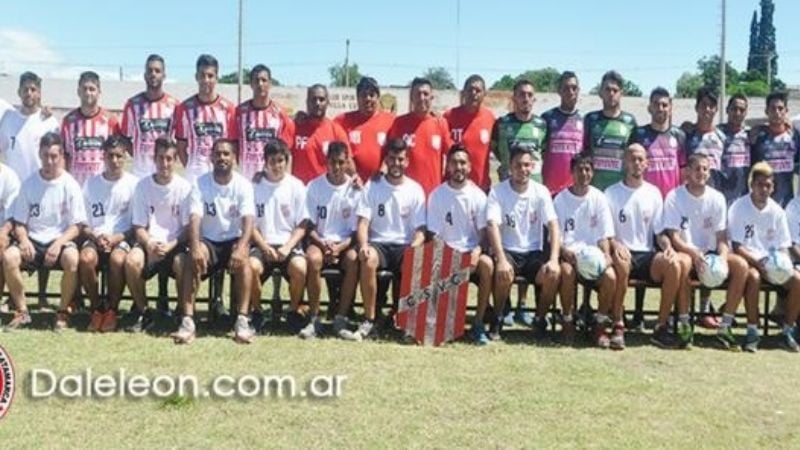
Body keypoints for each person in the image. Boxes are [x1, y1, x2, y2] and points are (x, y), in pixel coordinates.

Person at [341, 138, 426, 341]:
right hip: (379, 243)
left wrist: (413, 248)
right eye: (392, 158)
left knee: (415, 260)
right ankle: (370, 319)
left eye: (400, 159)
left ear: (407, 162)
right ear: (386, 160)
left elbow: (421, 231)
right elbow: (362, 223)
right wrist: (363, 246)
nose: (396, 163)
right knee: (368, 259)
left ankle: (407, 323)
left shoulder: (415, 189)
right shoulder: (373, 186)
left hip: (404, 244)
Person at [663, 153, 750, 350]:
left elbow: (721, 238)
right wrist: (693, 253)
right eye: (697, 169)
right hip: (686, 251)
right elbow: (674, 236)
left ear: (709, 173)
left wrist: (722, 257)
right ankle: (685, 324)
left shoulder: (717, 198)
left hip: (710, 254)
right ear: (687, 172)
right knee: (682, 263)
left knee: (741, 266)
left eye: (705, 169)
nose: (701, 173)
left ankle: (725, 326)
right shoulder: (674, 197)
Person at [3, 132, 85, 330]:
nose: (49, 161)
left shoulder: (70, 184)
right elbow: (19, 222)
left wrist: (58, 244)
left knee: (73, 259)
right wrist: (23, 240)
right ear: (39, 154)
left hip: (60, 240)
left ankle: (63, 312)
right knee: (9, 257)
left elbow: (78, 226)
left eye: (54, 156)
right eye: (46, 155)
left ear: (61, 157)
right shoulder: (29, 184)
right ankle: (22, 311)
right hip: (33, 241)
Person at [605, 144, 683, 348]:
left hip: (647, 254)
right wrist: (615, 244)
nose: (636, 163)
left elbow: (659, 233)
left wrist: (668, 247)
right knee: (621, 263)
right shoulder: (611, 193)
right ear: (624, 163)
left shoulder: (654, 193)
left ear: (647, 164)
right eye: (632, 159)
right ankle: (618, 325)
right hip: (623, 253)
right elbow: (606, 234)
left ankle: (660, 327)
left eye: (640, 159)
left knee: (673, 265)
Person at [178, 139, 255, 344]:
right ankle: (187, 320)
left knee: (245, 261)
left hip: (233, 240)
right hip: (209, 241)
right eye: (218, 154)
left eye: (226, 154)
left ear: (234, 158)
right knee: (191, 258)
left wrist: (241, 248)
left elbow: (248, 221)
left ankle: (242, 319)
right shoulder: (200, 183)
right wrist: (195, 246)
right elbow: (195, 218)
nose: (222, 158)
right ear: (211, 158)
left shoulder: (243, 185)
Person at [486, 145, 561, 341]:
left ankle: (540, 318)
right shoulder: (498, 191)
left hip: (533, 253)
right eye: (518, 165)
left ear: (533, 166)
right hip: (508, 250)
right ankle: (498, 317)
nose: (523, 169)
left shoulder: (541, 191)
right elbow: (492, 225)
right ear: (510, 167)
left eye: (527, 165)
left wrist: (553, 259)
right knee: (503, 272)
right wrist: (501, 258)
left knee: (553, 273)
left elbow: (553, 225)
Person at [124, 138, 193, 333]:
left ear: (176, 160)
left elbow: (188, 228)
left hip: (175, 244)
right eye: (161, 158)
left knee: (182, 263)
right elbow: (138, 226)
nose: (165, 163)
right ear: (154, 159)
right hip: (150, 243)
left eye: (169, 159)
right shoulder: (142, 186)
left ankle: (181, 312)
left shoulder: (184, 188)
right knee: (131, 261)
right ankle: (144, 311)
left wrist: (171, 245)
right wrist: (149, 244)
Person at [729, 162, 800, 352]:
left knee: (798, 280)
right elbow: (737, 246)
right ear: (751, 184)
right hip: (751, 261)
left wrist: (781, 264)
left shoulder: (777, 211)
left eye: (768, 185)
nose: (764, 189)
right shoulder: (739, 207)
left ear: (773, 187)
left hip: (772, 263)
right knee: (753, 277)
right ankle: (753, 330)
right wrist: (759, 263)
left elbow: (784, 246)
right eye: (760, 184)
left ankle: (787, 330)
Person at [427, 144, 493, 345]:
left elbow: (484, 235)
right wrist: (449, 255)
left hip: (471, 253)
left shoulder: (479, 196)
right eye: (454, 163)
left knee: (487, 265)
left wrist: (477, 251)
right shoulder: (437, 195)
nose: (459, 167)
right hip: (446, 252)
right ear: (447, 167)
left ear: (470, 166)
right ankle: (440, 321)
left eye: (463, 162)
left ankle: (479, 323)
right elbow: (434, 235)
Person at [553, 153, 617, 348]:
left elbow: (603, 235)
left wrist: (606, 255)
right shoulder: (561, 199)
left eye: (588, 169)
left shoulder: (599, 198)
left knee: (611, 277)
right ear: (572, 172)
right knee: (566, 272)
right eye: (579, 169)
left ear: (593, 173)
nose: (583, 173)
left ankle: (599, 325)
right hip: (571, 257)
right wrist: (565, 252)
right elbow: (556, 236)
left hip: (593, 257)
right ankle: (567, 321)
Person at [79, 136, 138, 333]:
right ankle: (96, 308)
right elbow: (82, 223)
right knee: (86, 258)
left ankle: (112, 309)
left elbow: (136, 225)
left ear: (125, 157)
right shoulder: (91, 184)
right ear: (103, 157)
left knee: (118, 259)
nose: (115, 161)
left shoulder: (133, 185)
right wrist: (96, 237)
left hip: (121, 238)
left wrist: (116, 238)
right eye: (110, 156)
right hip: (96, 237)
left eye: (119, 156)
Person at [249, 139, 308, 332]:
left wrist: (288, 247)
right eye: (272, 161)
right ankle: (257, 313)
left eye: (281, 160)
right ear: (265, 162)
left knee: (300, 267)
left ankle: (292, 312)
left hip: (287, 246)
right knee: (250, 267)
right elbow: (249, 225)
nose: (277, 165)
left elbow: (302, 224)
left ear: (287, 161)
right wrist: (264, 247)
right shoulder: (254, 186)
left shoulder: (297, 186)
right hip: (261, 245)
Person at [304, 141, 361, 339]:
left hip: (345, 244)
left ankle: (341, 317)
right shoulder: (314, 186)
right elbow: (308, 226)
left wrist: (340, 247)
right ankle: (314, 318)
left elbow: (357, 230)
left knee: (354, 260)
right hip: (320, 241)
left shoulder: (356, 189)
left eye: (340, 162)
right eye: (332, 162)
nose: (336, 167)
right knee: (312, 259)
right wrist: (322, 244)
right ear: (325, 162)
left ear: (347, 163)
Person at [174, 54, 237, 183]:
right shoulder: (185, 108)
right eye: (202, 75)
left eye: (210, 76)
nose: (206, 80)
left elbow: (233, 146)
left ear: (217, 78)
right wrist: (191, 169)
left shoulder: (229, 109)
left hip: (220, 175)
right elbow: (181, 147)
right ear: (196, 77)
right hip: (195, 176)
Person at [684, 88, 751, 205]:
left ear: (716, 110)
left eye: (711, 106)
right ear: (696, 107)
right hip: (690, 196)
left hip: (716, 197)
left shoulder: (723, 135)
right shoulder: (685, 134)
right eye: (703, 105)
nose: (707, 109)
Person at [387, 77, 452, 195]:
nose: (422, 98)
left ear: (431, 97)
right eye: (417, 94)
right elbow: (390, 156)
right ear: (411, 98)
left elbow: (451, 155)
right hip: (405, 195)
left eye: (425, 94)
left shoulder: (441, 123)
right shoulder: (399, 123)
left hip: (433, 196)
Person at [121, 54, 180, 179]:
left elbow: (180, 140)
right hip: (140, 174)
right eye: (150, 70)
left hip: (164, 172)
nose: (153, 74)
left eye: (157, 71)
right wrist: (137, 155)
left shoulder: (174, 105)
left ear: (164, 76)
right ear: (145, 75)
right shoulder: (132, 105)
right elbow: (125, 138)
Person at [235, 64, 295, 180]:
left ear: (270, 84)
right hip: (245, 178)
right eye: (256, 80)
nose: (260, 84)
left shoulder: (281, 114)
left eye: (264, 80)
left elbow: (287, 153)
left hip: (271, 180)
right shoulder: (239, 113)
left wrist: (286, 182)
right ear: (251, 84)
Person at [61, 71, 121, 186]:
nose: (88, 93)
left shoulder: (110, 121)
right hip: (76, 187)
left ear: (99, 92)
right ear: (78, 92)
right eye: (84, 89)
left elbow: (118, 155)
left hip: (103, 187)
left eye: (92, 89)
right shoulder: (68, 121)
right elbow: (64, 156)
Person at [0, 71, 60, 181]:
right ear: (19, 92)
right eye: (25, 89)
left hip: (40, 188)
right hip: (14, 191)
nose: (29, 93)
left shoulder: (49, 122)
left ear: (39, 93)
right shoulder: (8, 119)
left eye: (33, 89)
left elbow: (59, 158)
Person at [584, 70, 638, 190]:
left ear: (621, 93)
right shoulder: (590, 119)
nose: (611, 93)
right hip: (595, 188)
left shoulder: (630, 122)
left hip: (621, 190)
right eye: (607, 89)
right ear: (600, 92)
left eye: (615, 90)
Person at [334, 77, 395, 182]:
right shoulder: (342, 120)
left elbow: (395, 150)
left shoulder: (391, 120)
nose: (368, 99)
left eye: (372, 95)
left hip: (381, 183)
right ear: (357, 98)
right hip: (352, 183)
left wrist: (382, 171)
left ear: (378, 98)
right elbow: (323, 127)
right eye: (363, 95)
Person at [629, 87, 686, 198]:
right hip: (645, 198)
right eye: (656, 104)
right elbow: (630, 168)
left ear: (670, 109)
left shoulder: (679, 135)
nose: (660, 108)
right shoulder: (638, 134)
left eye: (664, 105)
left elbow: (683, 173)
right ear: (649, 108)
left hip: (672, 200)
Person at [444, 75, 495, 191]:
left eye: (478, 90)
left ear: (484, 94)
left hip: (481, 187)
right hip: (454, 186)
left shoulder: (490, 118)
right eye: (470, 90)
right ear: (463, 93)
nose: (474, 93)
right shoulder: (449, 116)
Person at [490, 79, 547, 183]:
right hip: (508, 184)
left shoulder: (542, 125)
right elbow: (494, 147)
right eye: (522, 94)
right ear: (514, 98)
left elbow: (544, 152)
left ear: (534, 99)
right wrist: (506, 163)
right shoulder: (502, 124)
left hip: (534, 184)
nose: (526, 99)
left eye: (530, 95)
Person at [749, 91, 800, 207]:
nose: (777, 112)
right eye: (772, 108)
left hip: (787, 203)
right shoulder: (757, 137)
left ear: (786, 111)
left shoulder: (794, 136)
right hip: (761, 203)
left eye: (780, 108)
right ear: (766, 111)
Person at [291, 84, 349, 184]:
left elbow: (347, 161)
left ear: (327, 102)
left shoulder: (336, 131)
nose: (317, 103)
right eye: (314, 99)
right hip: (299, 192)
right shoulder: (294, 126)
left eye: (321, 99)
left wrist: (355, 178)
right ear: (307, 102)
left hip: (324, 192)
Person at [541, 71, 584, 196]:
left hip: (574, 189)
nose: (570, 92)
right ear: (559, 91)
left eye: (574, 88)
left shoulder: (583, 120)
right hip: (549, 190)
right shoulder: (547, 118)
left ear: (578, 91)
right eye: (566, 88)